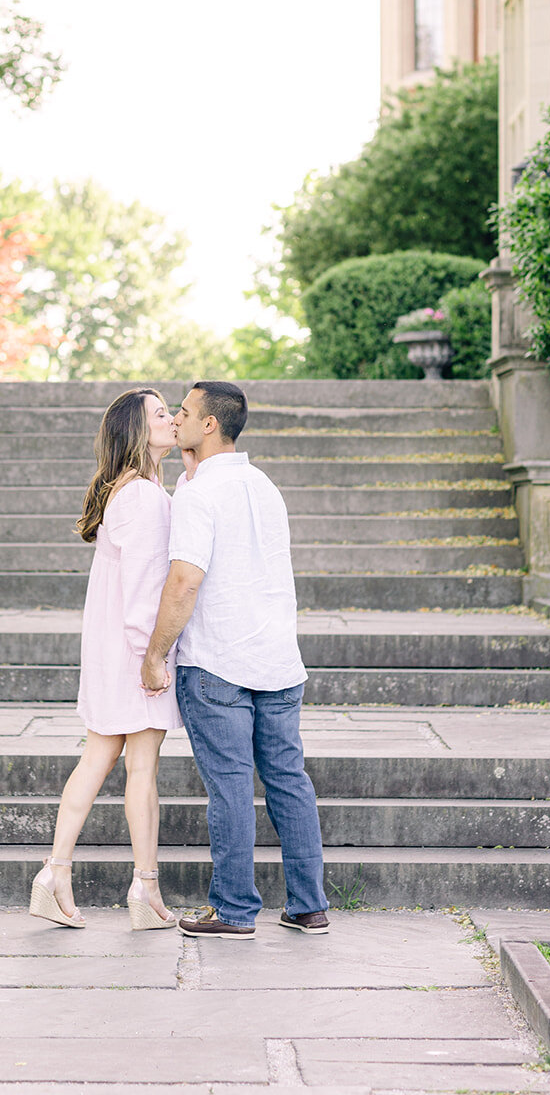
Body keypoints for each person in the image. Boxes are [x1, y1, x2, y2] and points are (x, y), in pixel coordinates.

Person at [141, 380, 329, 939]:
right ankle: (308, 906)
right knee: (289, 781)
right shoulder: (263, 485)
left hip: (218, 661)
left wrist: (156, 655)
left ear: (209, 426)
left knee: (229, 788)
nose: (175, 420)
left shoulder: (200, 494)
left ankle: (233, 910)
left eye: (184, 411)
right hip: (276, 659)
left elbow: (184, 581)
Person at [30, 387, 181, 932]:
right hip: (134, 655)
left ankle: (55, 874)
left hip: (115, 651)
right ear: (138, 433)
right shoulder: (141, 497)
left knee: (98, 760)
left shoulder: (131, 490)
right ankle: (144, 888)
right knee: (141, 770)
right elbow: (144, 590)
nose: (173, 418)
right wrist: (153, 657)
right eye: (162, 413)